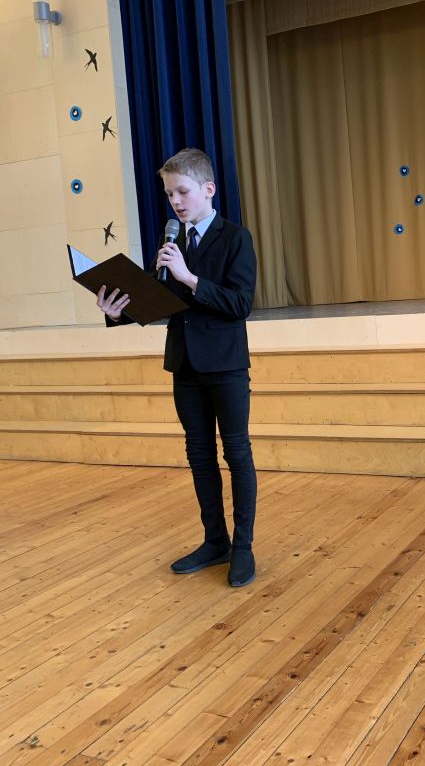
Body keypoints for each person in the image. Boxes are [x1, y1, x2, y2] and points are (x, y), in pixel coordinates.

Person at [96, 148, 258, 587]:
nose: (176, 202)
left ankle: (243, 547)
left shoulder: (235, 238)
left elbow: (240, 304)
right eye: (169, 195)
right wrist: (118, 312)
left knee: (236, 453)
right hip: (184, 364)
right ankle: (215, 541)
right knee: (199, 455)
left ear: (208, 189)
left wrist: (189, 278)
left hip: (225, 365)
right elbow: (161, 301)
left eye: (182, 192)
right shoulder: (174, 242)